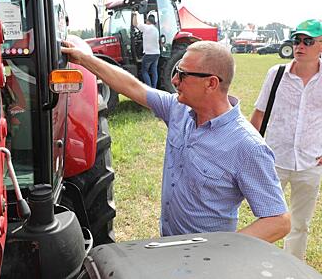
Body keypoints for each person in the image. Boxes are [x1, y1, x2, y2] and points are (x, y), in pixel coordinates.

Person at [62, 38, 290, 243]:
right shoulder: (178, 109)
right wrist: (85, 59)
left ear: (211, 83)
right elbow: (133, 87)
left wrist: (221, 250)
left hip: (207, 261)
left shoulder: (246, 146)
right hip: (170, 245)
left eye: (182, 74)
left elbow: (278, 221)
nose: (174, 80)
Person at [250, 19, 322, 260]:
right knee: (267, 221)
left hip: (311, 162)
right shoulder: (276, 74)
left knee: (300, 224)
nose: (300, 46)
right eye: (297, 40)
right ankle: (262, 265)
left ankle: (292, 268)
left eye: (308, 41)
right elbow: (259, 113)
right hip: (274, 160)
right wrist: (249, 150)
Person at [134, 13, 160, 88]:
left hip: (149, 54)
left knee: (144, 71)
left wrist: (134, 14)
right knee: (154, 71)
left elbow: (135, 24)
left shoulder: (146, 27)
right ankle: (154, 88)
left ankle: (149, 88)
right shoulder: (156, 29)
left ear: (148, 21)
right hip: (156, 53)